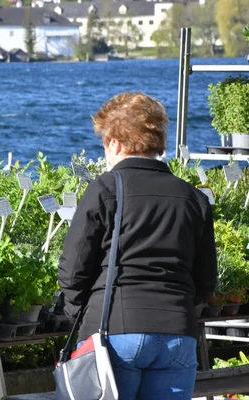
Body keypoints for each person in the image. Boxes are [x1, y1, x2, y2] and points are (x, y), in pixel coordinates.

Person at [58, 92, 217, 400]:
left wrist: (81, 311)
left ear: (115, 142)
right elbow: (206, 280)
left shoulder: (105, 188)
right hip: (178, 334)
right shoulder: (193, 198)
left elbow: (73, 269)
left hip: (115, 330)